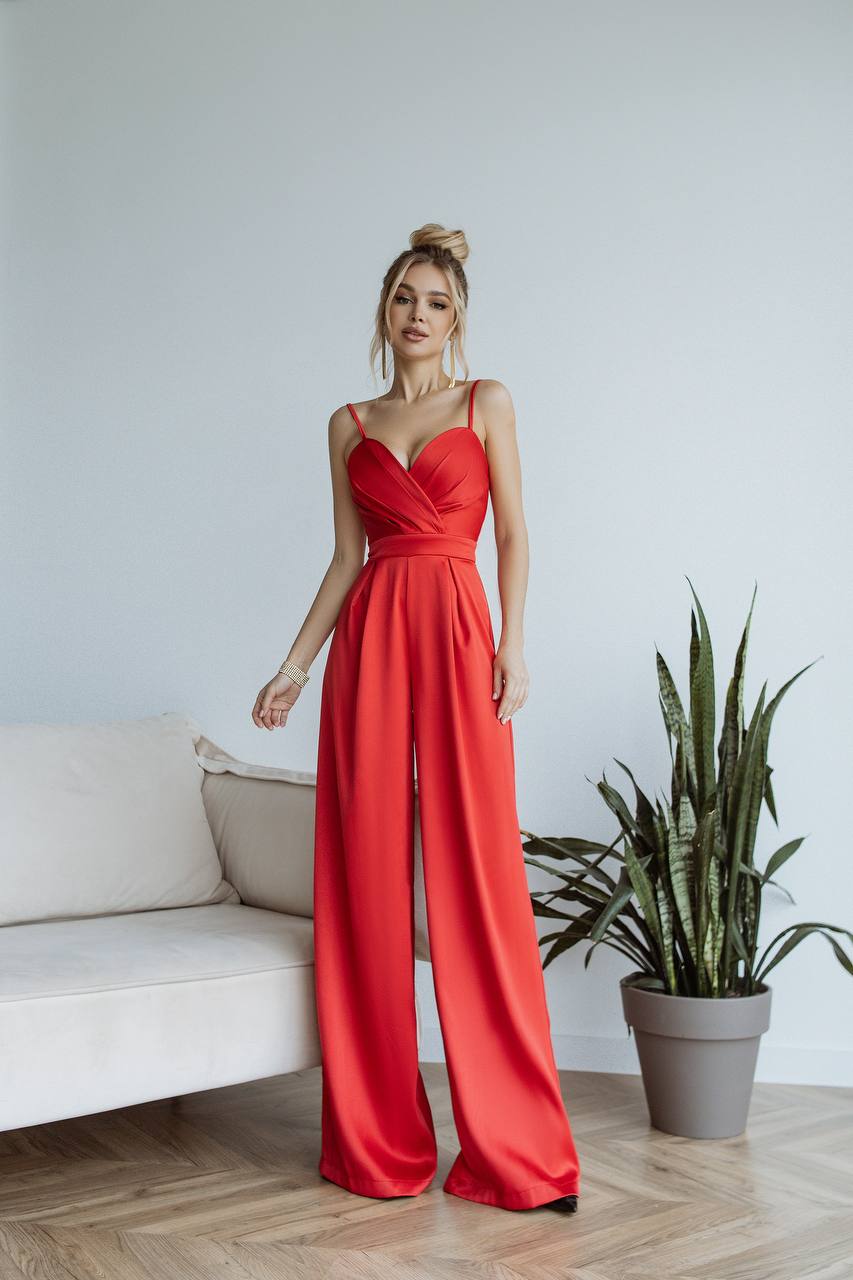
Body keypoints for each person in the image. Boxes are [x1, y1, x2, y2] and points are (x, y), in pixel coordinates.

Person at [253, 223, 581, 1214]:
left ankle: (517, 1151)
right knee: (362, 875)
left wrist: (513, 646)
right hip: (370, 647)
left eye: (435, 301)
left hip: (457, 636)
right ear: (384, 311)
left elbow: (516, 533)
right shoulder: (345, 424)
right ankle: (376, 1143)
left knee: (476, 875)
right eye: (404, 298)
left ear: (458, 318)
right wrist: (295, 665)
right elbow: (347, 559)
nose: (417, 315)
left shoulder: (487, 402)